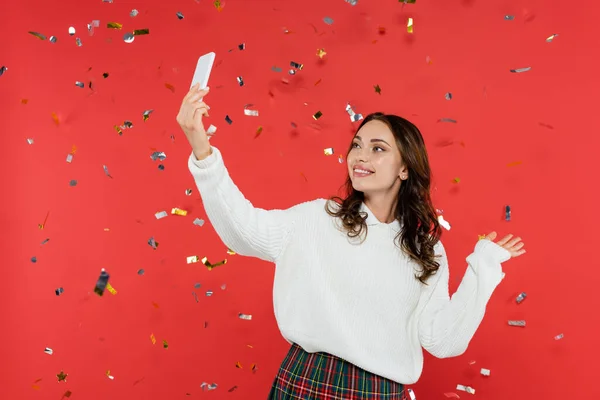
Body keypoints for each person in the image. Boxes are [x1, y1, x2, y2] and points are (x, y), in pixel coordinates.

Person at [176, 84, 526, 400]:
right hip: (310, 383)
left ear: (405, 168)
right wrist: (202, 149)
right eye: (357, 145)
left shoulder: (425, 250)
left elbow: (443, 340)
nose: (361, 156)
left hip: (382, 393)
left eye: (378, 149)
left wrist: (483, 269)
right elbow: (243, 229)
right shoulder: (319, 219)